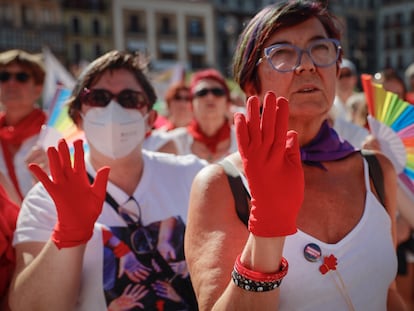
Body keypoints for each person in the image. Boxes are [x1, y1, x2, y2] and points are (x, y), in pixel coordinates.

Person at [184, 1, 407, 310]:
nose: (307, 65)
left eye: (321, 49)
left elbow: (387, 293)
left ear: (337, 66)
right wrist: (267, 230)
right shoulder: (222, 185)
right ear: (252, 84)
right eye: (282, 53)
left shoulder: (376, 170)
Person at [9, 50, 207, 310]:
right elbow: (28, 306)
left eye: (129, 98)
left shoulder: (194, 176)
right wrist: (68, 234)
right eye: (98, 98)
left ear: (149, 118)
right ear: (79, 116)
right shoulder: (46, 198)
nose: (113, 109)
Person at [0, 49, 49, 201]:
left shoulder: (56, 134)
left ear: (38, 89)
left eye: (21, 77)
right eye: (4, 76)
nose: (11, 83)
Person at [168, 68, 238, 163]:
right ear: (191, 105)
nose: (210, 97)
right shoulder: (174, 142)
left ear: (228, 103)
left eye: (217, 92)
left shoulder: (243, 139)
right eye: (202, 92)